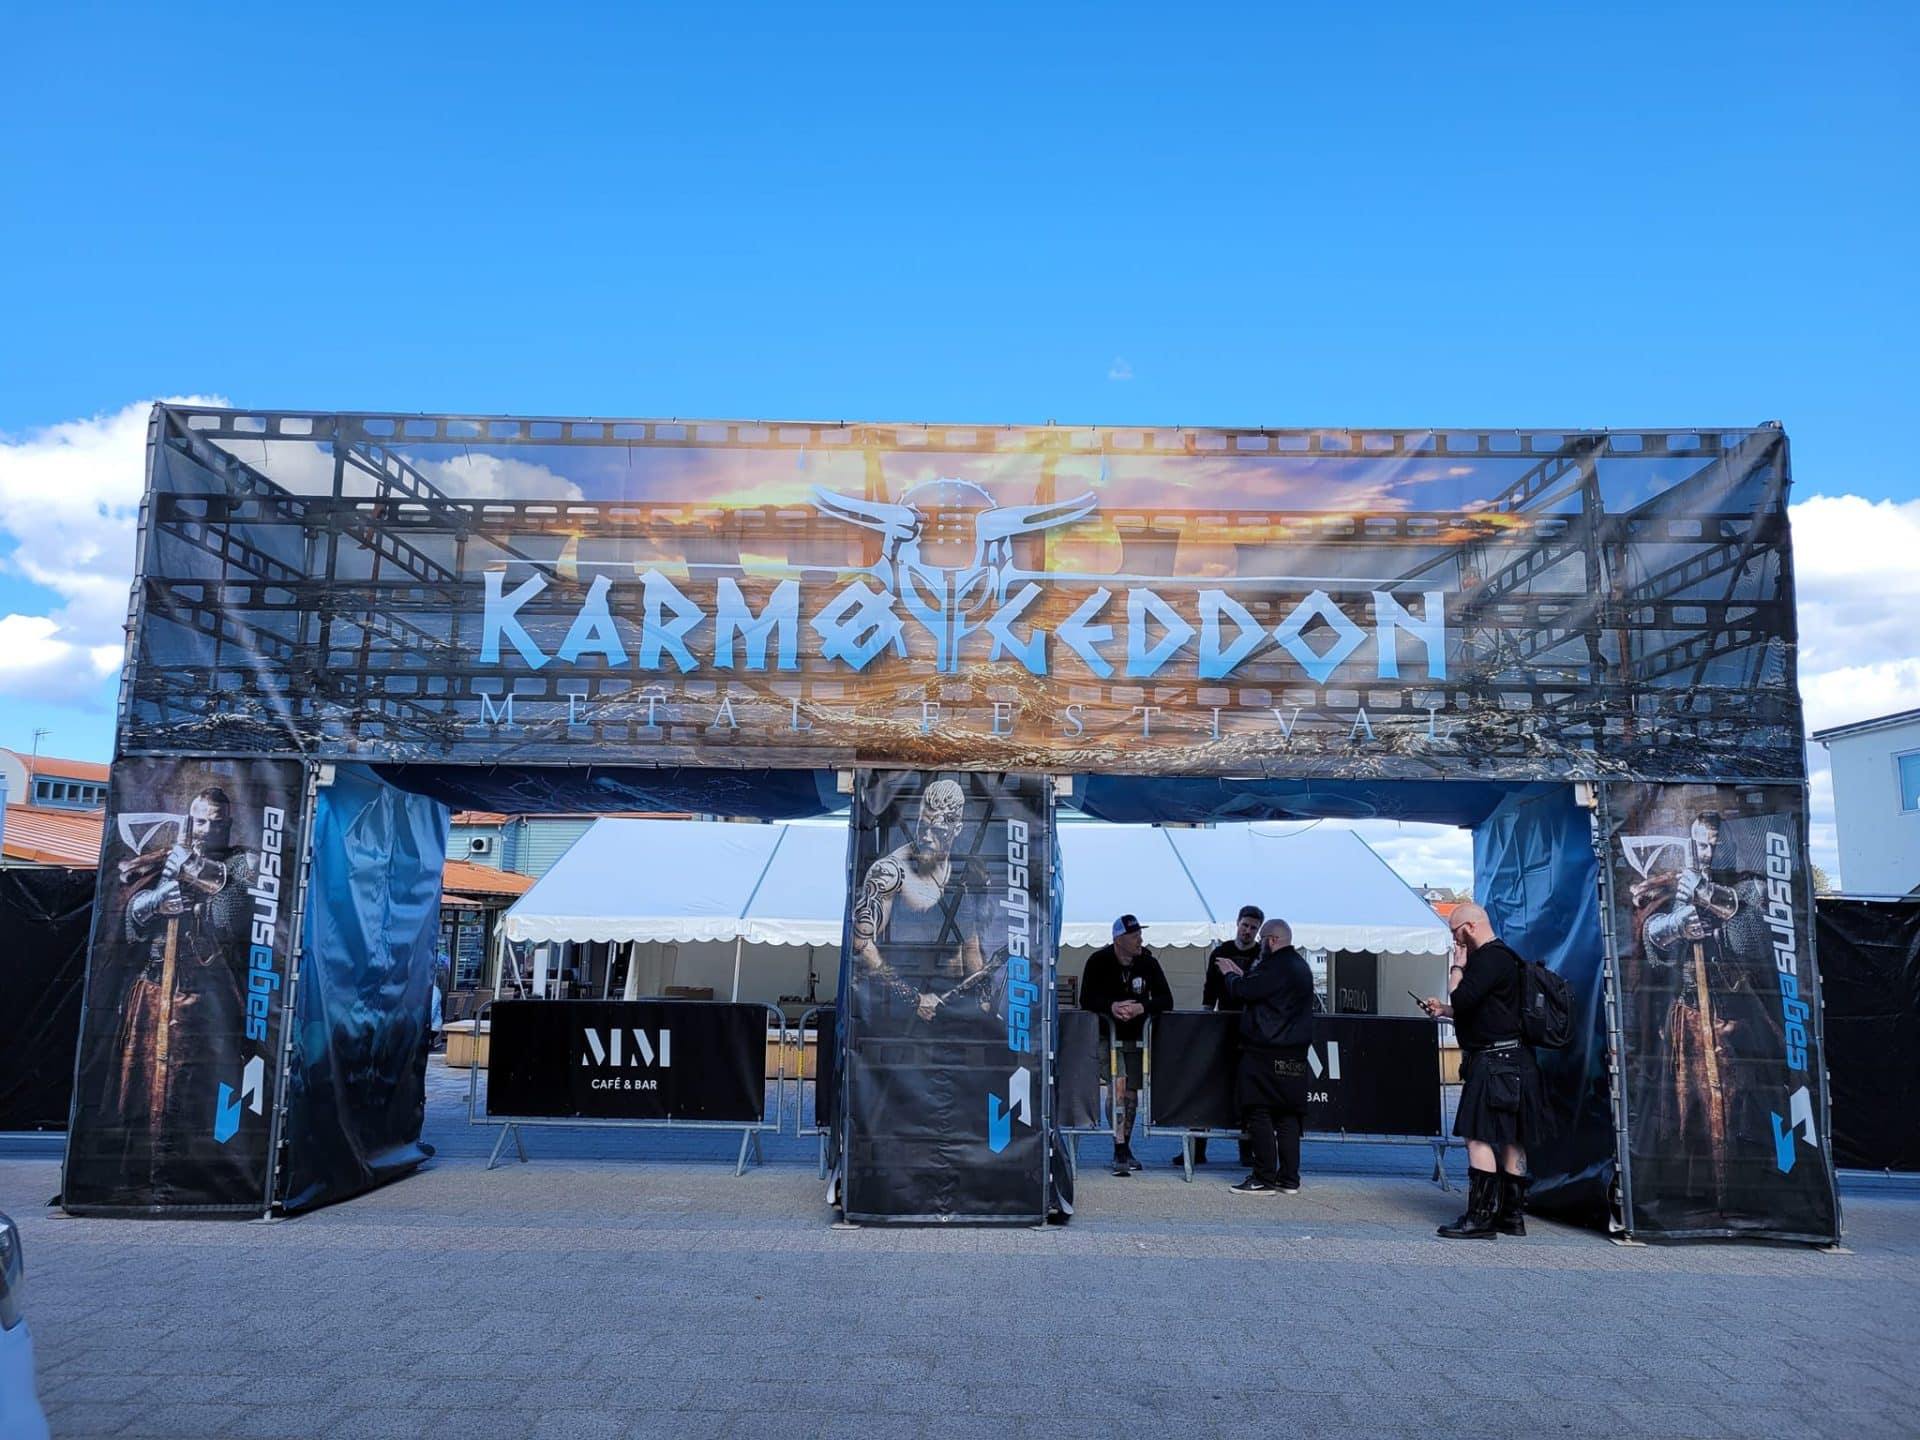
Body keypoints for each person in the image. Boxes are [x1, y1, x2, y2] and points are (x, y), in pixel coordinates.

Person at [1420, 903, 1552, 1239]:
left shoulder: (1488, 959)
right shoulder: (1506, 958)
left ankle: (1480, 1219)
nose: (1455, 940)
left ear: (1470, 926)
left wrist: (1457, 967)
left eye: (1455, 932)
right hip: (1515, 1059)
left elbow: (1462, 996)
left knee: (1476, 1136)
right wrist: (1445, 1011)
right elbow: (1485, 1012)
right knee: (1512, 1138)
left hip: (1493, 1063)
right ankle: (1511, 1217)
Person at [850, 778, 989, 1033]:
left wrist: (983, 997)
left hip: (951, 1014)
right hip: (897, 1015)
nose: (926, 837)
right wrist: (912, 998)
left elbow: (970, 945)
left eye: (936, 831)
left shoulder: (965, 871)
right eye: (922, 826)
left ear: (955, 829)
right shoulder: (890, 872)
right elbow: (861, 944)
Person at [1214, 919, 1314, 1196]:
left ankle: (1263, 1177)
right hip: (1295, 1053)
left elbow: (1246, 992)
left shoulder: (1275, 966)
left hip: (1265, 1051)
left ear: (1271, 940)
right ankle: (1289, 1179)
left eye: (1262, 940)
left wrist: (1230, 975)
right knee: (1289, 1117)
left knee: (1259, 1112)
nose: (1258, 945)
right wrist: (1244, 975)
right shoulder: (1301, 967)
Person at [1079, 913, 1174, 1174]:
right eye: (1134, 936)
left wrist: (1141, 1007)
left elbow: (1167, 999)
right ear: (1118, 939)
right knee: (1117, 1087)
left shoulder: (1148, 963)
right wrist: (1111, 1006)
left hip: (1136, 1037)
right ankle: (1119, 1146)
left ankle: (1124, 1145)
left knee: (1132, 1093)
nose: (1139, 940)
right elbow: (1085, 999)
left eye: (1139, 935)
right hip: (1106, 1036)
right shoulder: (1098, 961)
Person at [1183, 904, 1263, 1168]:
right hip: (1220, 1026)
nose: (1248, 931)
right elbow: (1210, 988)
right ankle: (1197, 1149)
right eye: (1245, 925)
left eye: (1253, 927)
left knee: (1246, 1090)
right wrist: (1206, 1017)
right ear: (1237, 923)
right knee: (1206, 1086)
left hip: (1250, 1029)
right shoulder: (1220, 952)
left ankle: (1247, 1150)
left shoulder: (1263, 955)